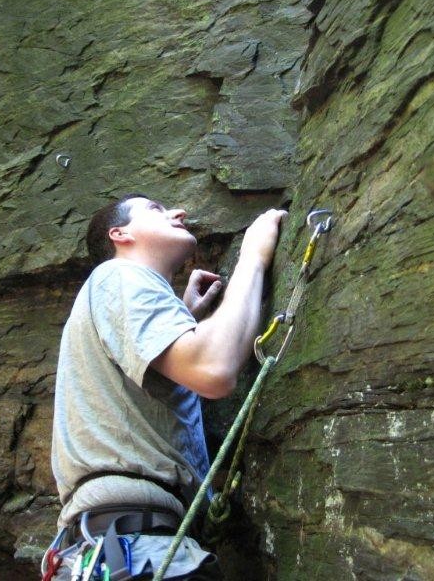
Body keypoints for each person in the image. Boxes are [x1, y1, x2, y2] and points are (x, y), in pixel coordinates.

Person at [50, 193, 286, 580]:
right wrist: (254, 257)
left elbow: (139, 387)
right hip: (136, 546)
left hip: (122, 547)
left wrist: (184, 315)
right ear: (120, 233)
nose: (178, 212)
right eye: (156, 210)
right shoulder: (118, 275)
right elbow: (212, 367)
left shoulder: (108, 293)